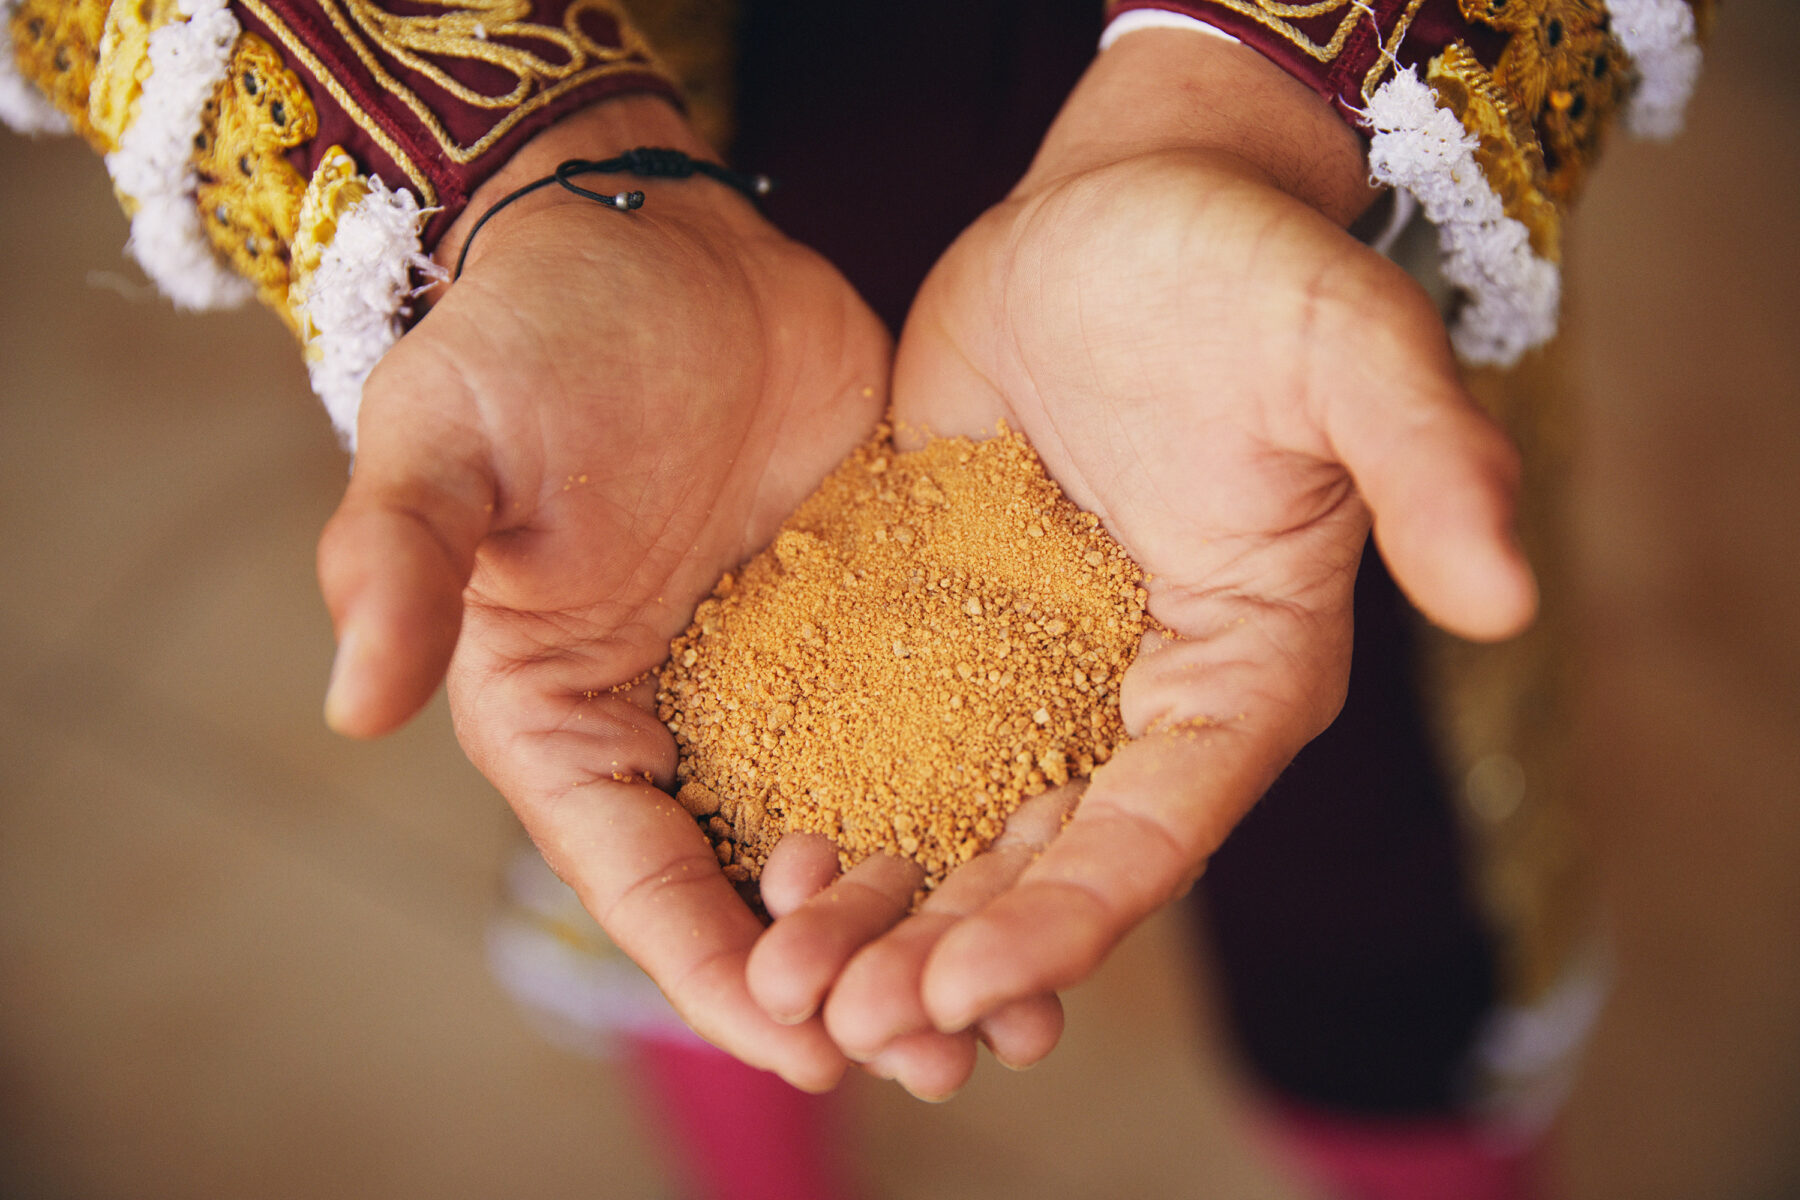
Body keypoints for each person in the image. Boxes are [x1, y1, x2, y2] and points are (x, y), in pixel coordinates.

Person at [2, 0, 1705, 1193]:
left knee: (1370, 814)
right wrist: (519, 154)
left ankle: (1405, 1127)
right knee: (662, 771)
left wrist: (1239, 117)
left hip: (1234, 274)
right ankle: (756, 1155)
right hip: (668, 215)